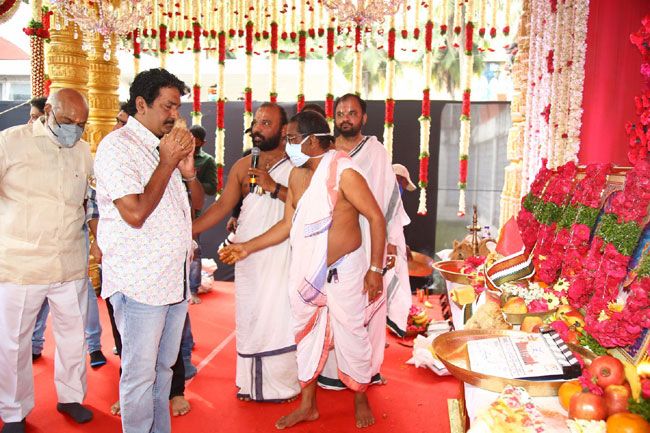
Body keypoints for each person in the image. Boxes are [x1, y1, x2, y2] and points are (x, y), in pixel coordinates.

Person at [219, 110, 386, 429]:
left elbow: (376, 217)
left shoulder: (344, 172)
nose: (288, 145)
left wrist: (375, 269)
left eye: (292, 139)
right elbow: (287, 225)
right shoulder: (297, 176)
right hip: (307, 272)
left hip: (343, 269)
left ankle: (360, 396)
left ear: (311, 142)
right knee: (306, 335)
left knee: (352, 334)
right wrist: (247, 246)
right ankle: (308, 405)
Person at [94, 68, 197, 433]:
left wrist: (185, 171)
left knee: (163, 371)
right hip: (140, 283)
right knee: (139, 376)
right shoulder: (117, 147)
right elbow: (135, 214)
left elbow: (183, 208)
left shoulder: (160, 146)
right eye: (168, 106)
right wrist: (167, 163)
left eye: (177, 107)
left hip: (172, 281)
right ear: (141, 104)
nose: (175, 115)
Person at [0, 88, 94, 433]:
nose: (74, 129)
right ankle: (14, 412)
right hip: (21, 264)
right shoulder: (10, 142)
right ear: (48, 111)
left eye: (81, 124)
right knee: (13, 343)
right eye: (68, 120)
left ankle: (71, 397)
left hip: (69, 261)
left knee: (74, 336)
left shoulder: (83, 151)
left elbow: (89, 201)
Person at [193, 103, 299, 402]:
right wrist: (189, 230)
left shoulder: (298, 165)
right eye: (256, 122)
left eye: (266, 123)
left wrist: (273, 186)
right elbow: (222, 206)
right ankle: (250, 383)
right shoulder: (243, 166)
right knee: (251, 315)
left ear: (283, 129)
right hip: (247, 256)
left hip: (282, 254)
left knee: (279, 317)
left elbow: (307, 205)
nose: (257, 129)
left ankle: (283, 384)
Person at [317, 94, 412, 391]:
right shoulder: (325, 151)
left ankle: (366, 371)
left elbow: (387, 202)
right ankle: (330, 371)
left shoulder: (376, 152)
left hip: (371, 239)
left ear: (364, 118)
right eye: (340, 113)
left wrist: (390, 243)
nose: (345, 118)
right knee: (331, 305)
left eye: (352, 113)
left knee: (368, 304)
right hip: (333, 241)